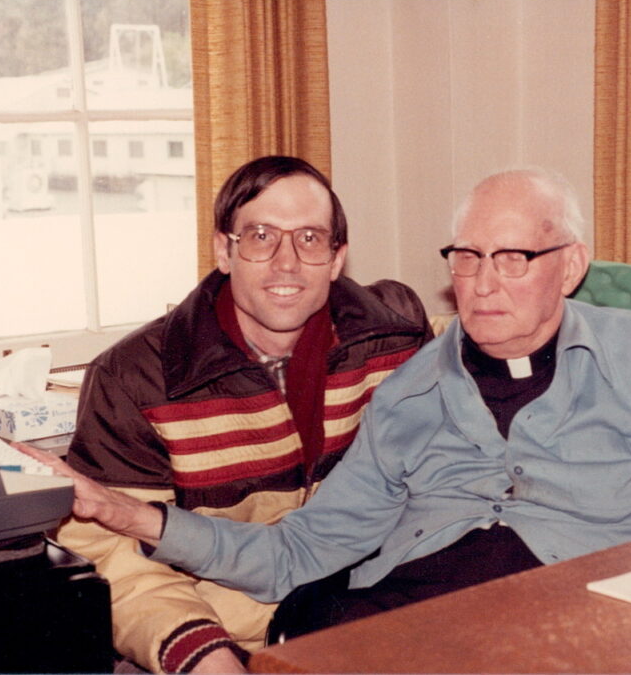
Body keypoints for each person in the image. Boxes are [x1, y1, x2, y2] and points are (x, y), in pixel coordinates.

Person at [24, 167, 631, 648]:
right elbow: (301, 548)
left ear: (568, 265)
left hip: (578, 623)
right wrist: (132, 515)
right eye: (465, 257)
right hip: (405, 619)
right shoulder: (409, 386)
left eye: (512, 258)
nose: (482, 283)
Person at [55, 155, 432, 673]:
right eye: (260, 236)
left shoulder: (396, 343)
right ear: (223, 251)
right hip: (217, 633)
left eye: (309, 238)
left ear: (337, 257)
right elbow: (112, 553)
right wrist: (204, 653)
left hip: (370, 616)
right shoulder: (137, 378)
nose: (286, 262)